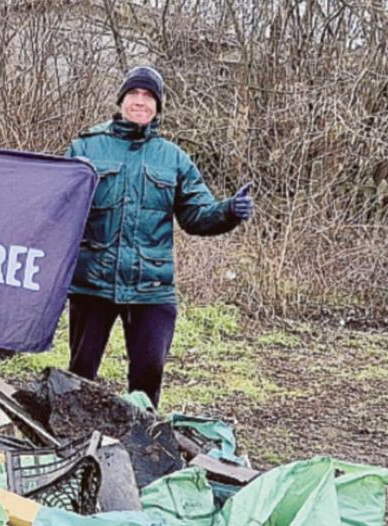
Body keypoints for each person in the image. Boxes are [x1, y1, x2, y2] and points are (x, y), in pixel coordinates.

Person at [66, 65, 253, 407]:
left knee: (148, 375)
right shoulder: (85, 148)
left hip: (152, 287)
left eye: (149, 97)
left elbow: (196, 215)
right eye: (134, 94)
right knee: (80, 375)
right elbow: (57, 206)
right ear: (121, 100)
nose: (141, 102)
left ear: (158, 107)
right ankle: (69, 438)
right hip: (93, 282)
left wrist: (227, 211)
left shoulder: (174, 158)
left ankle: (142, 444)